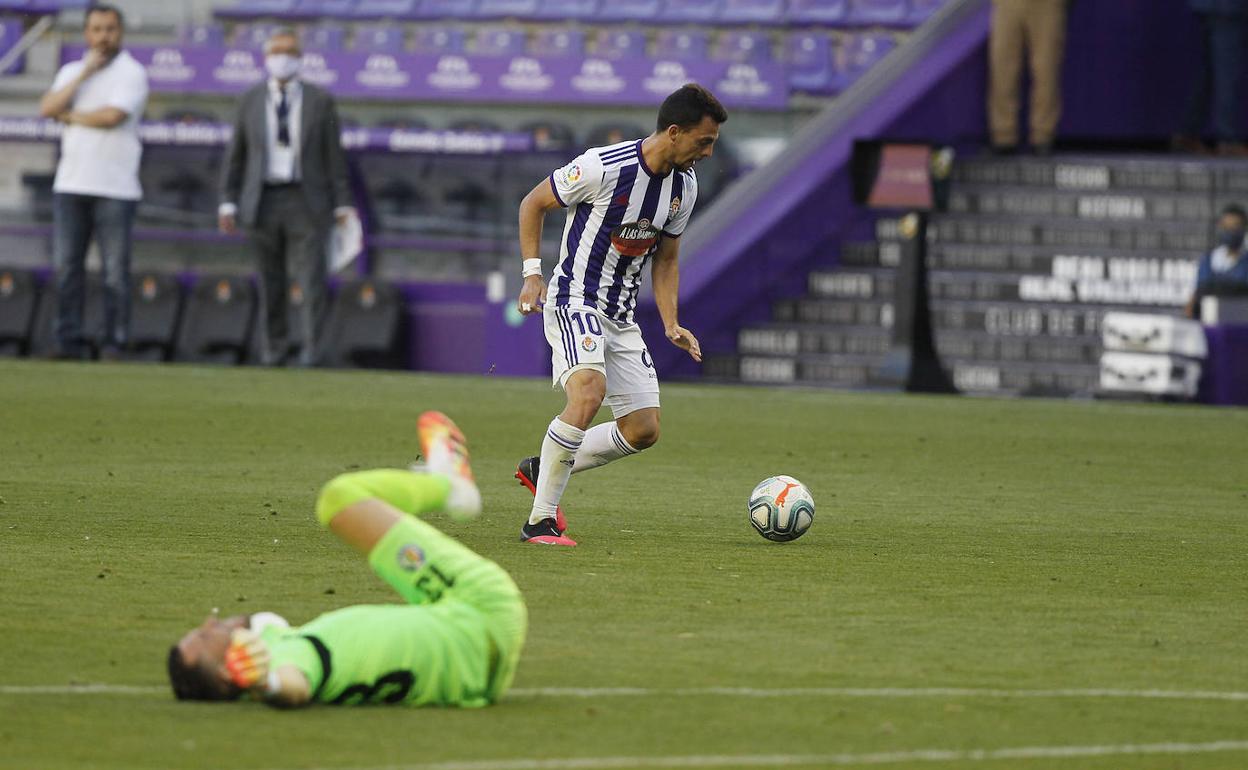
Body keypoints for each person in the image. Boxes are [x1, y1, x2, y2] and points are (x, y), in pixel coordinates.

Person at [167, 411, 527, 708]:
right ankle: (447, 485)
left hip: (477, 675)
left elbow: (264, 622)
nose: (208, 623)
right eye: (202, 637)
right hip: (479, 606)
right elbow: (294, 688)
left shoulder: (276, 640)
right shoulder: (287, 659)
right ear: (227, 673)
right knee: (338, 500)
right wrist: (267, 682)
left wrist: (252, 659)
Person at [513, 84, 727, 546]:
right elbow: (533, 203)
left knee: (643, 429)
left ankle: (543, 465)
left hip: (621, 316)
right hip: (574, 299)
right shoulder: (602, 167)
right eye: (703, 141)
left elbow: (666, 260)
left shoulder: (684, 189)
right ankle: (540, 520)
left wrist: (670, 322)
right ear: (674, 132)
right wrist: (533, 274)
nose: (708, 152)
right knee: (589, 391)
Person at [218, 28, 354, 367]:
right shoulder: (249, 99)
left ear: (300, 57)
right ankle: (274, 350)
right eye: (277, 51)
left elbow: (333, 156)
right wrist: (228, 199)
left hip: (305, 199)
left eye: (290, 51)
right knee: (269, 280)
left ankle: (312, 351)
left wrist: (342, 202)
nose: (283, 57)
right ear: (266, 58)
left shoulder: (320, 100)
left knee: (312, 280)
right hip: (261, 198)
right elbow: (237, 154)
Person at [38, 4, 148, 360]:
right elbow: (46, 107)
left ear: (121, 32)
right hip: (71, 185)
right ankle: (66, 340)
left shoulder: (132, 72)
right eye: (97, 29)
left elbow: (112, 117)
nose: (104, 36)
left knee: (115, 272)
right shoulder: (72, 70)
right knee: (67, 268)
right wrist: (84, 72)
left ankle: (113, 342)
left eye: (110, 29)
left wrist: (69, 116)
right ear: (86, 33)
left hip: (116, 188)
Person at [986, 0, 1068, 155]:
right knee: (1002, 68)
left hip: (1046, 5)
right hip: (1007, 4)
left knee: (1046, 69)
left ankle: (1043, 136)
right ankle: (1003, 136)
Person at [1174, 0, 1248, 156]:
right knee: (1227, 72)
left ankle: (1188, 133)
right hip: (1225, 7)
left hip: (1215, 7)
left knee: (1211, 73)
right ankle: (1228, 139)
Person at [1186, 204, 1248, 319]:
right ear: (1220, 226)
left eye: (1235, 226)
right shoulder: (1208, 260)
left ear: (1245, 228)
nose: (1231, 231)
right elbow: (1193, 302)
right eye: (1226, 227)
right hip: (1208, 327)